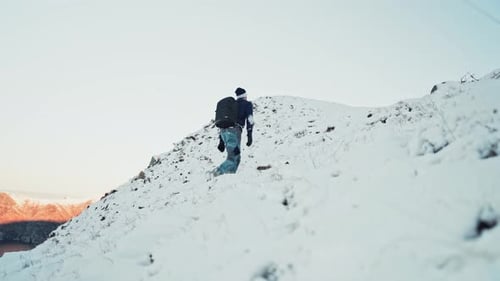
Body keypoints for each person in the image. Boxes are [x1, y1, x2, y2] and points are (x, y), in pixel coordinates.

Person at [212, 87, 254, 176]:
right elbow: (250, 119)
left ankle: (229, 178)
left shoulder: (232, 106)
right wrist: (249, 135)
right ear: (245, 96)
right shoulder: (247, 104)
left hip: (224, 133)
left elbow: (226, 122)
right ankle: (215, 173)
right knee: (232, 158)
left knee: (236, 158)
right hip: (234, 132)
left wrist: (221, 141)